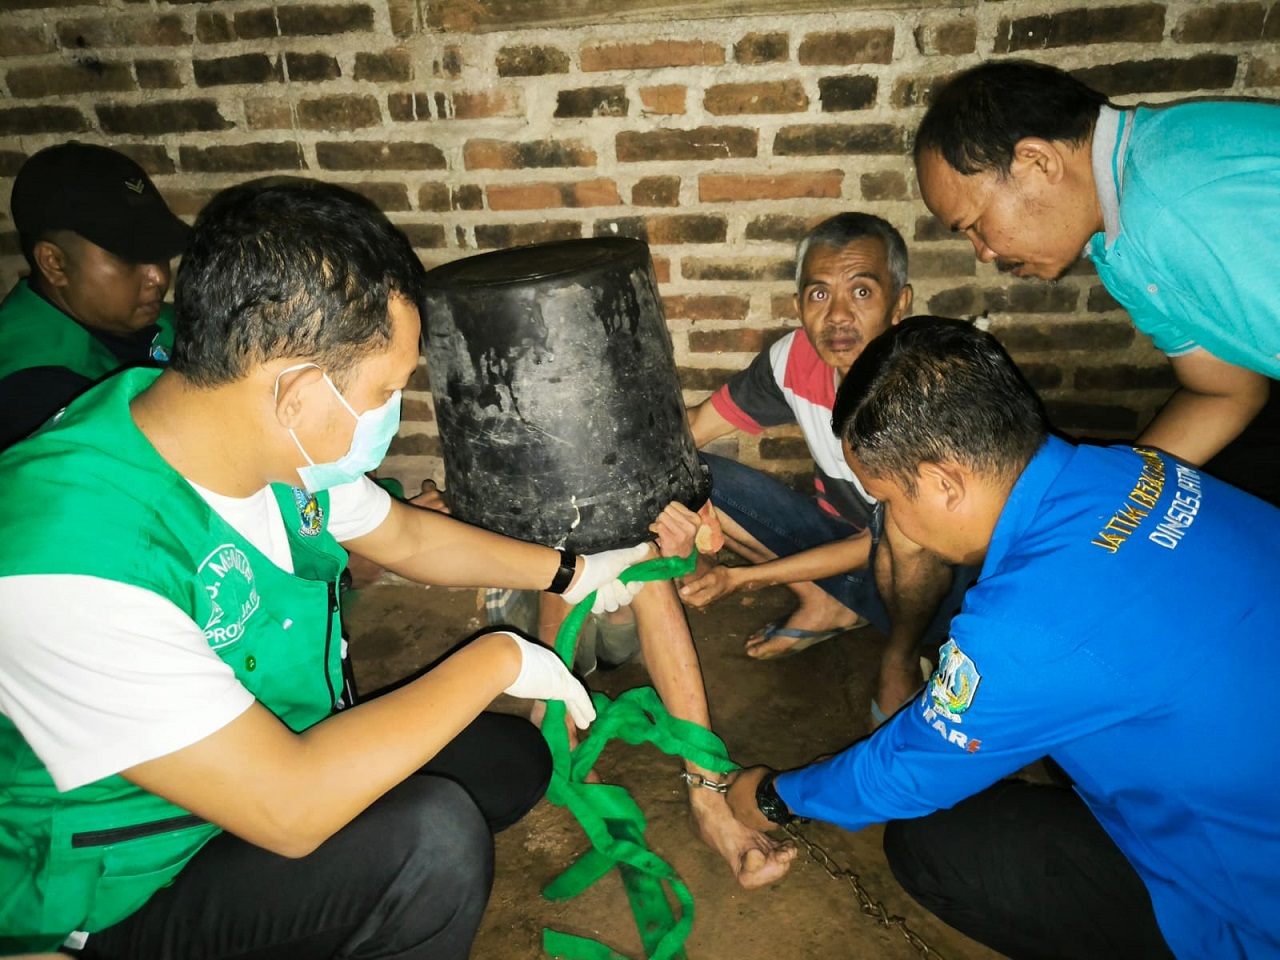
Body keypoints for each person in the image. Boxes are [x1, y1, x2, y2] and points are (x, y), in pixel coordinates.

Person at [0, 179, 654, 958]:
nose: (390, 412)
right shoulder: (67, 560)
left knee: (508, 762)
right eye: (386, 391)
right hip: (121, 885)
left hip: (254, 769)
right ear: (300, 391)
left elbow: (406, 537)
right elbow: (290, 806)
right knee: (434, 840)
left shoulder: (241, 435)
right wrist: (499, 656)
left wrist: (570, 573)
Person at [726, 316, 1280, 960]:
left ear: (942, 482)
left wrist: (772, 797)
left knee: (933, 848)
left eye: (886, 501)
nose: (888, 521)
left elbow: (904, 772)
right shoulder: (1133, 470)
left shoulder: (1026, 625)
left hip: (1251, 905)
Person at [914, 59, 1280, 502]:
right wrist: (1100, 501)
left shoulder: (1170, 201)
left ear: (1037, 161)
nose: (983, 252)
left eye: (974, 223)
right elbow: (1225, 392)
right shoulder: (1117, 245)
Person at [680, 213, 976, 722]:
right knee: (690, 473)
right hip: (843, 548)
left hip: (937, 596)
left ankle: (900, 658)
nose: (837, 316)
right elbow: (693, 429)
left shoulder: (927, 386)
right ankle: (826, 605)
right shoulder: (794, 360)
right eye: (819, 295)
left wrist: (746, 581)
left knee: (908, 544)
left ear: (899, 304)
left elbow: (889, 544)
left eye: (861, 293)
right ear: (799, 305)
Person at [0, 141, 192, 450]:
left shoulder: (141, 318)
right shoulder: (30, 391)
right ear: (54, 263)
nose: (158, 276)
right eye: (129, 257)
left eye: (159, 253)